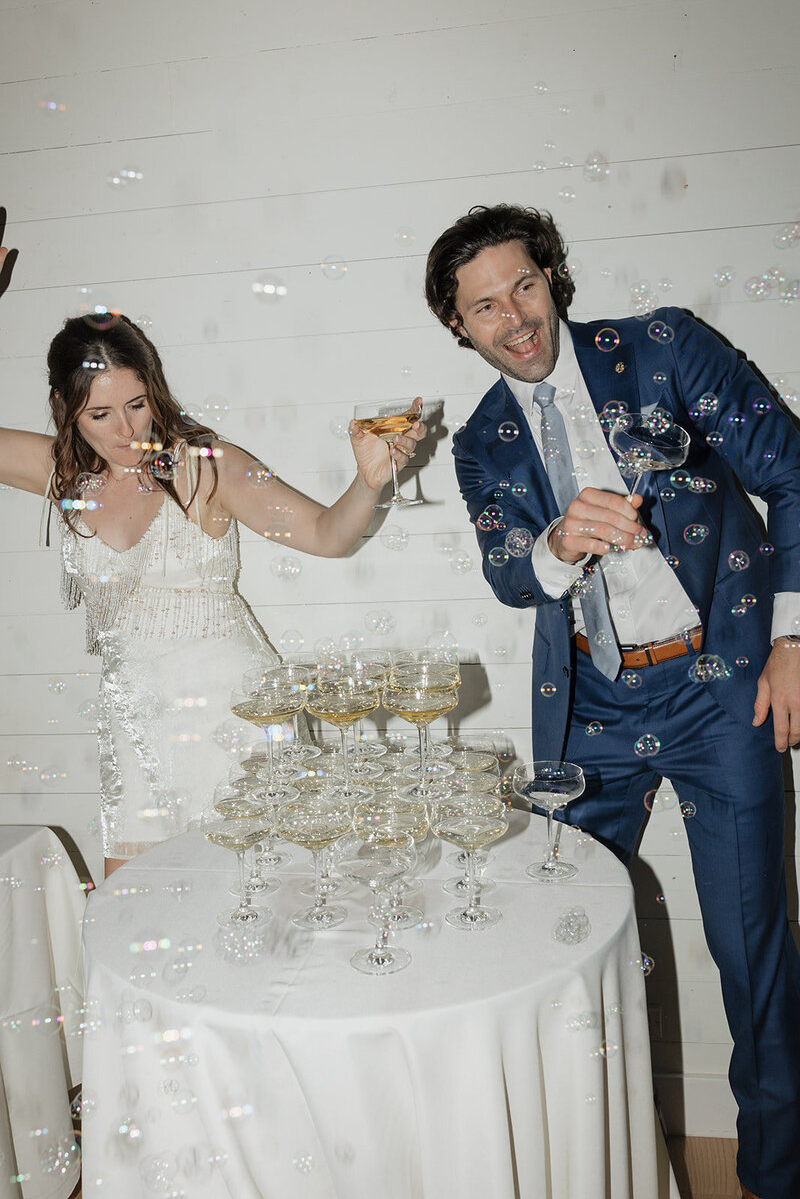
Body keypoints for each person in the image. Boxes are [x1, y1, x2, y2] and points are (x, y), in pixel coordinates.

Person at [425, 203, 800, 1199]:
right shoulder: (480, 445)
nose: (513, 318)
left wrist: (792, 637)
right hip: (592, 703)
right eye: (482, 307)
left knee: (748, 942)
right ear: (456, 328)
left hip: (718, 690)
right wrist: (553, 542)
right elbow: (511, 573)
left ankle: (776, 1172)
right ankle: (584, 1163)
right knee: (551, 938)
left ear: (552, 278)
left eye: (522, 287)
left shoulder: (664, 349)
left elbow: (792, 469)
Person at [0, 208, 426, 877]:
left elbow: (327, 534)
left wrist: (368, 480)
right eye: (99, 414)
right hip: (137, 728)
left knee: (262, 903)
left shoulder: (205, 464)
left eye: (136, 403)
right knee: (129, 919)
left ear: (154, 388)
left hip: (236, 718)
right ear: (66, 410)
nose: (123, 428)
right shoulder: (65, 475)